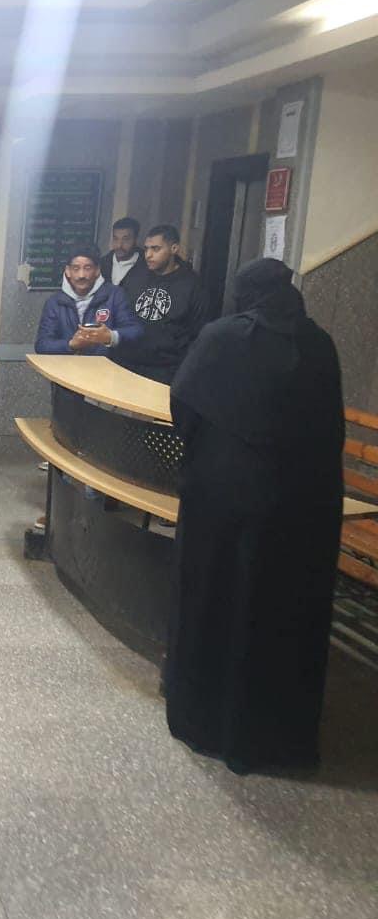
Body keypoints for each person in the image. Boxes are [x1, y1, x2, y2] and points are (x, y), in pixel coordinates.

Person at [167, 258, 343, 775]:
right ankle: (274, 737)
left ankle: (207, 722)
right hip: (301, 508)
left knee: (219, 600)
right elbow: (329, 430)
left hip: (224, 501)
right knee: (280, 612)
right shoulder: (319, 345)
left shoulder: (222, 338)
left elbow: (184, 406)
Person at [111, 224, 214, 383]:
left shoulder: (192, 285)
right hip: (125, 364)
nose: (148, 255)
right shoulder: (135, 275)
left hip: (165, 370)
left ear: (174, 249)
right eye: (146, 249)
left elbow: (199, 334)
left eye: (156, 249)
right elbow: (118, 311)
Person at [34, 243, 142, 355]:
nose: (81, 275)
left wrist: (110, 336)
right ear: (68, 271)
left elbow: (135, 332)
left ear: (97, 270)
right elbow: (42, 345)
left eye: (87, 268)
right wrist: (71, 344)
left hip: (104, 365)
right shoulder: (55, 302)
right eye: (76, 268)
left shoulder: (115, 295)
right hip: (67, 365)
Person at [99, 216, 150, 306]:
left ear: (135, 239)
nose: (119, 245)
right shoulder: (101, 264)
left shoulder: (148, 265)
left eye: (126, 239)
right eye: (115, 239)